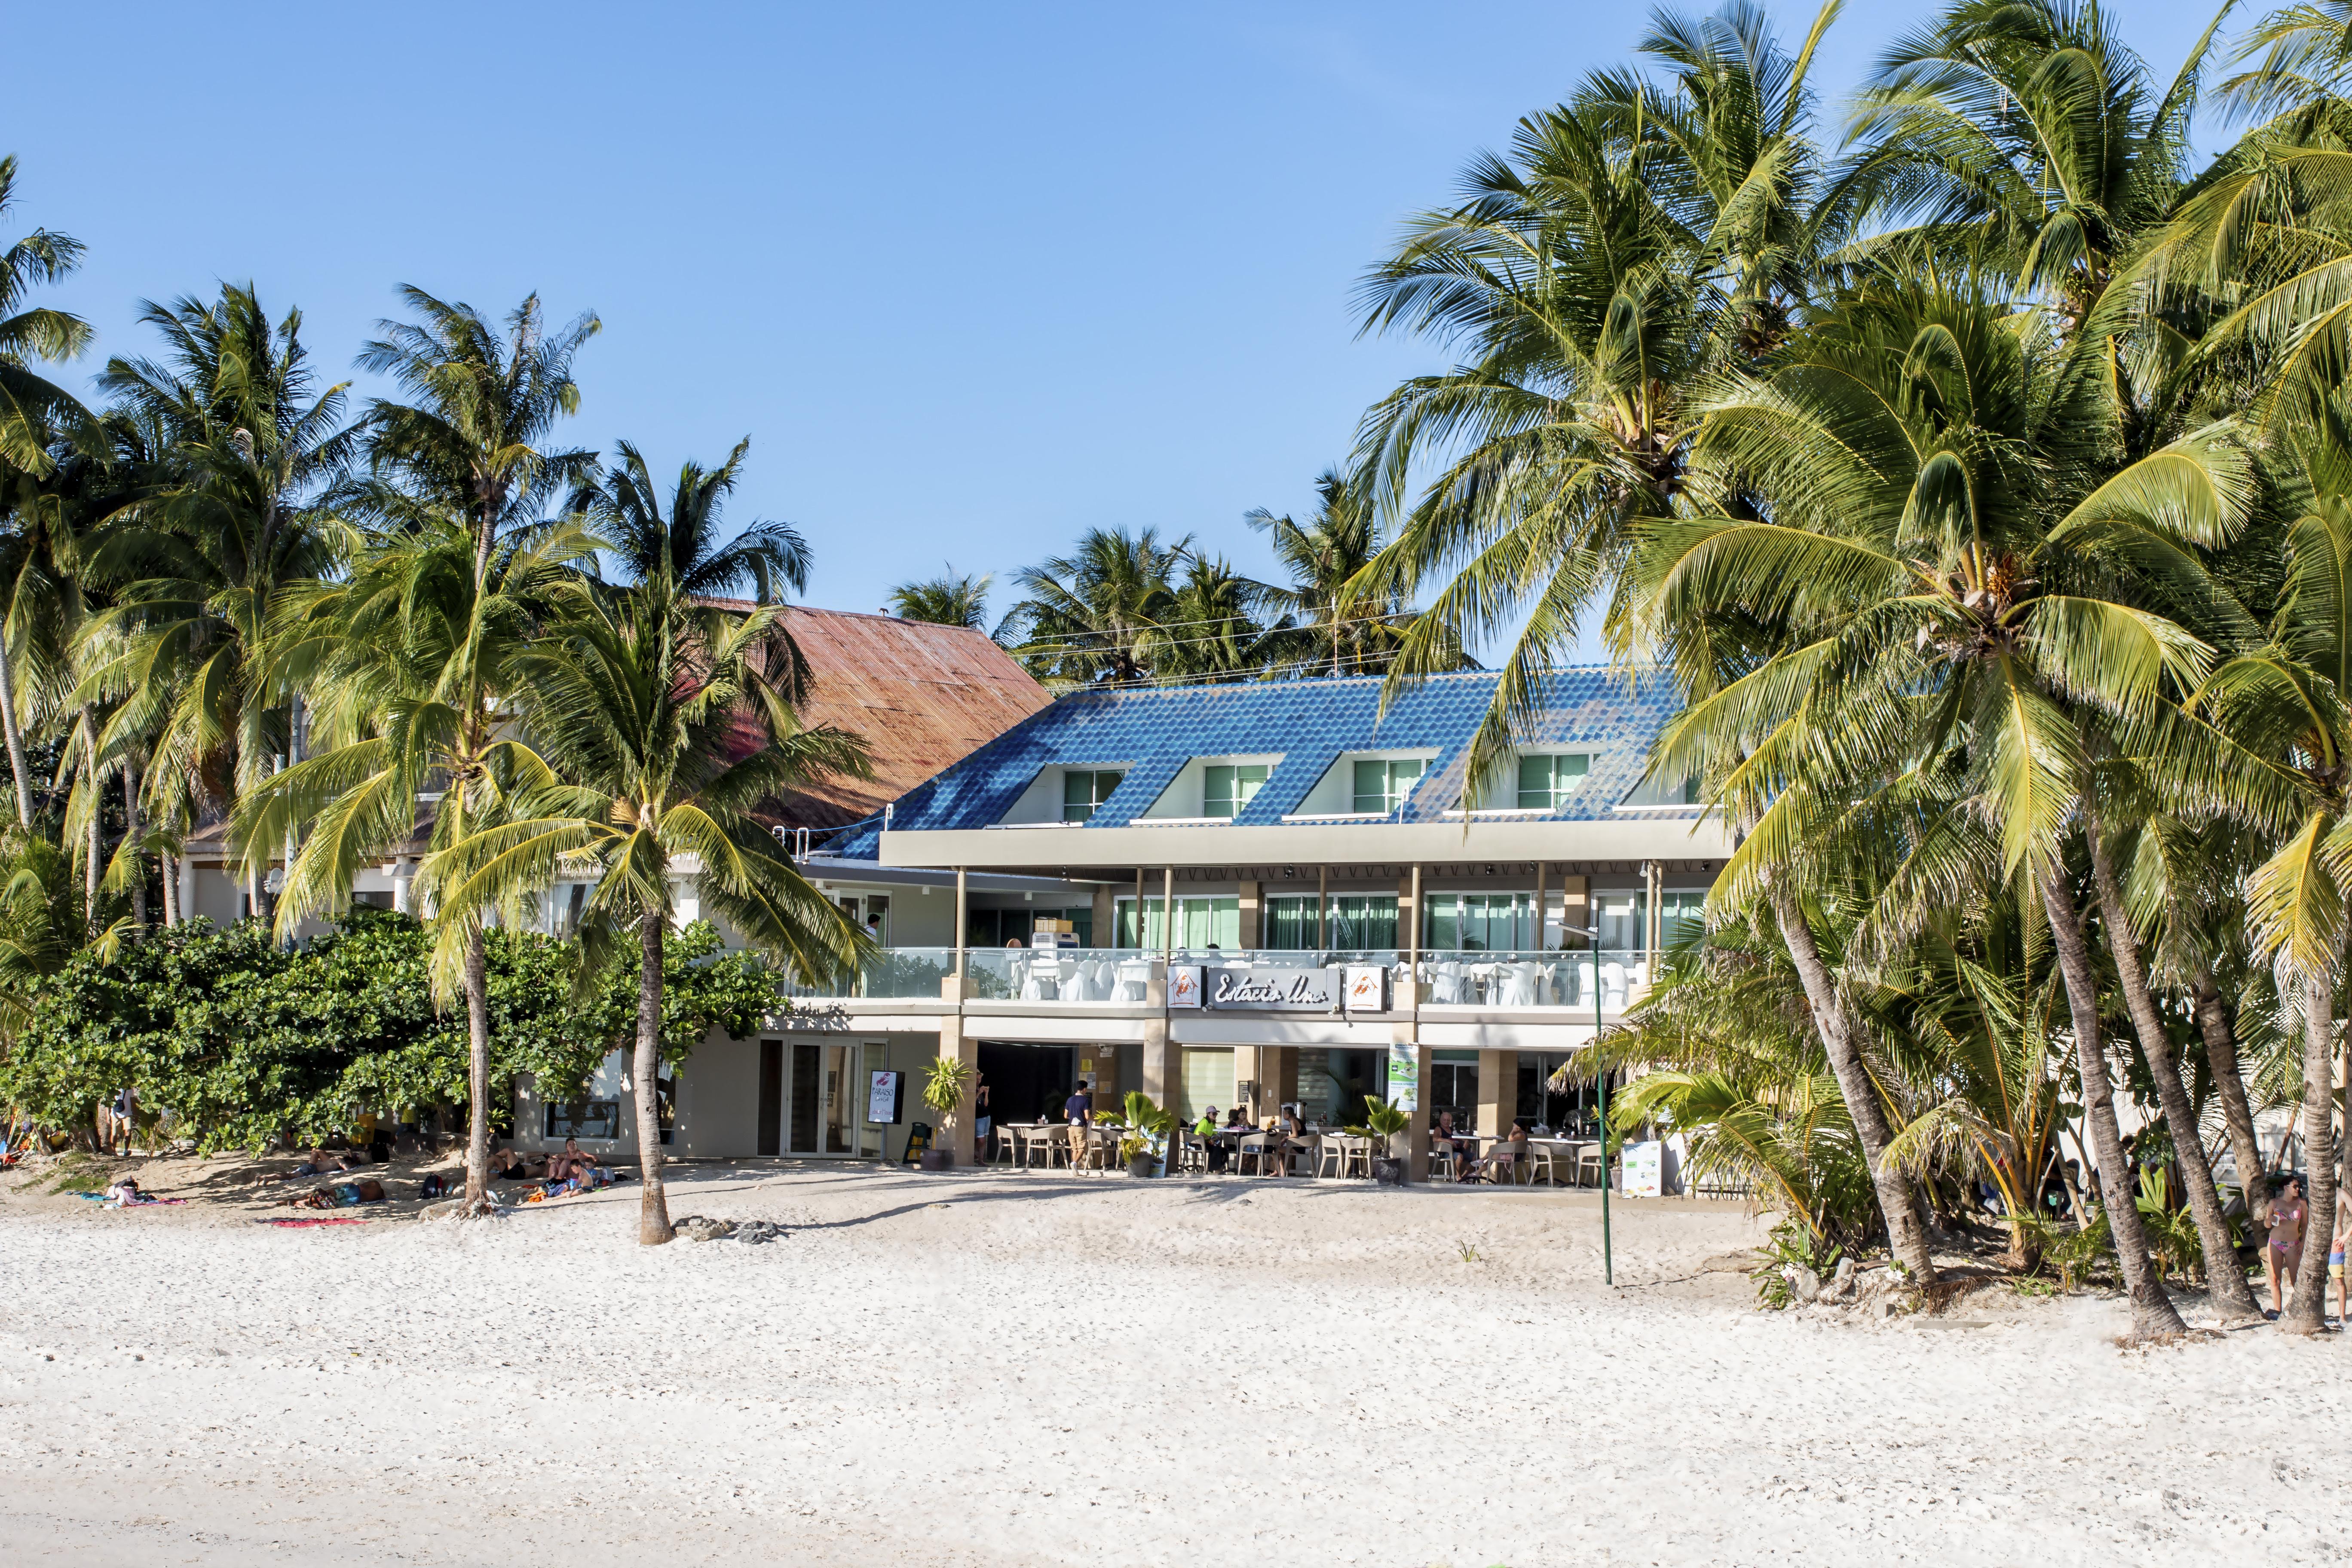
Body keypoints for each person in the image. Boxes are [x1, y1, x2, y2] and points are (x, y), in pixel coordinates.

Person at [2265, 1175, 2308, 1320]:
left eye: (2299, 1187)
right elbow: (2267, 1225)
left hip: (2293, 1244)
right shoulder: (2274, 1203)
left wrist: (2303, 1242)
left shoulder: (2301, 1203)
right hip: (2275, 1242)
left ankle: (2302, 1308)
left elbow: (2305, 1224)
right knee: (2275, 1280)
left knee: (2296, 1279)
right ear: (2286, 1187)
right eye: (2295, 1186)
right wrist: (2268, 1220)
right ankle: (2277, 1311)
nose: (2298, 1189)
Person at [1064, 1079, 1093, 1171]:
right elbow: (1087, 1117)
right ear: (1084, 1089)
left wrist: (1073, 1117)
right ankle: (1075, 1163)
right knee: (1082, 1148)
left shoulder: (1070, 1100)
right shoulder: (1085, 1101)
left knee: (1074, 1148)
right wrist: (1095, 1118)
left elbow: (1066, 1116)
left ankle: (1074, 1169)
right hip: (1081, 1127)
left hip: (1071, 1127)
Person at [1195, 1106, 1228, 1174]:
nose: (1215, 1115)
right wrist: (1210, 1138)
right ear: (1208, 1114)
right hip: (1198, 1143)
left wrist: (1215, 1137)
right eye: (1214, 1114)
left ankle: (1217, 1167)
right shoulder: (1205, 1122)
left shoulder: (1213, 1123)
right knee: (1216, 1149)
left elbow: (1214, 1133)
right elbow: (1201, 1133)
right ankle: (1213, 1169)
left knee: (1224, 1151)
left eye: (1216, 1114)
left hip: (1207, 1142)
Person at [973, 1077, 993, 1164]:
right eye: (977, 1079)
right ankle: (974, 1152)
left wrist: (986, 1094)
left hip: (986, 1117)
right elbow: (971, 1103)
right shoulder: (973, 1090)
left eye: (980, 1079)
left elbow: (986, 1104)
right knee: (981, 1140)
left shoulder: (979, 1090)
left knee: (984, 1139)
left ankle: (981, 1160)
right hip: (979, 1118)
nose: (978, 1081)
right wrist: (978, 1093)